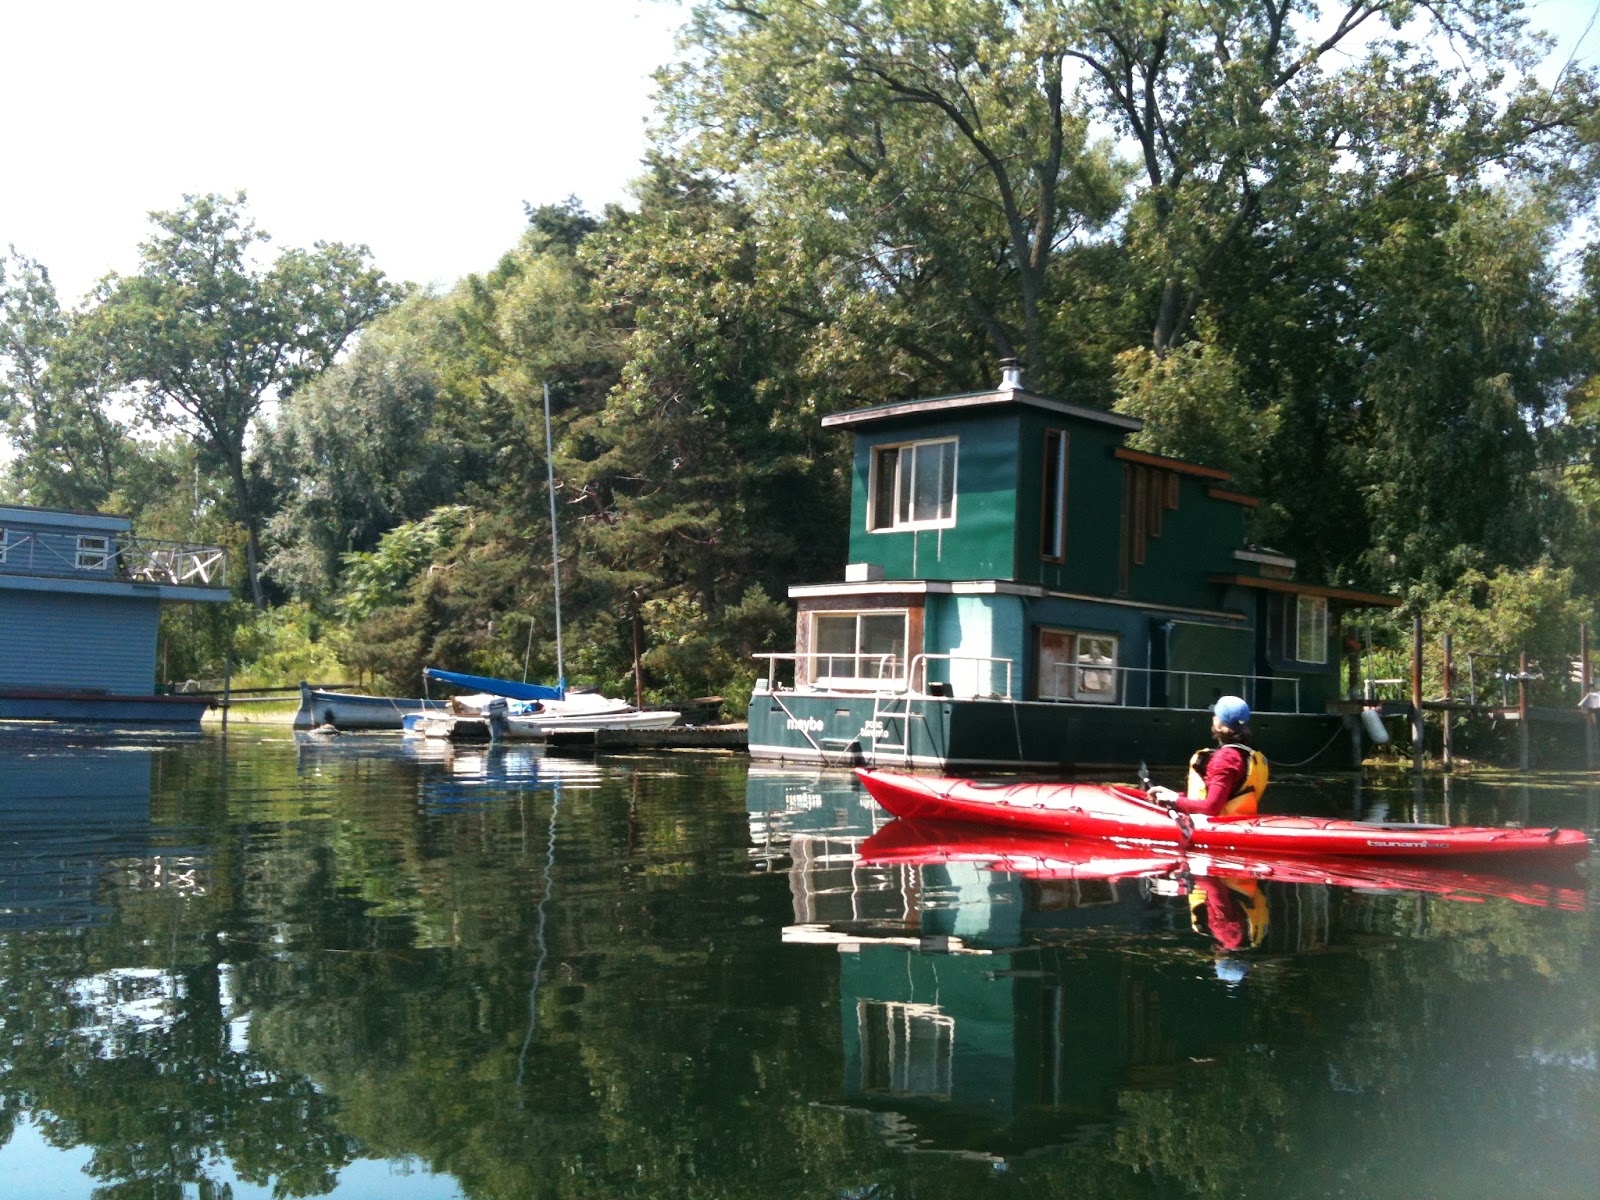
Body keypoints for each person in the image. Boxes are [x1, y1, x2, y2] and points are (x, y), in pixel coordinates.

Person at [1148, 695, 1269, 817]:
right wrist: (1174, 796)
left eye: (1216, 716)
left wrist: (1175, 802)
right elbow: (1223, 797)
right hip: (1240, 822)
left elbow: (1211, 807)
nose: (1213, 718)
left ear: (1222, 726)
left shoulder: (1225, 759)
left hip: (1218, 827)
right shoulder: (1247, 753)